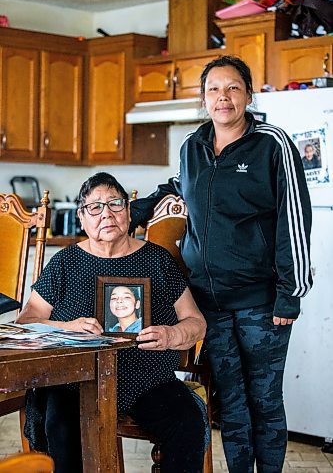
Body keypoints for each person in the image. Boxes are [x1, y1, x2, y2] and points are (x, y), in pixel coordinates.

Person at [129, 56, 313, 473]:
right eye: (213, 89)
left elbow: (295, 217)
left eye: (232, 88)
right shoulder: (193, 146)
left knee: (264, 401)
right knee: (229, 402)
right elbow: (179, 186)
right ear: (204, 98)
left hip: (261, 302)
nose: (223, 97)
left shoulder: (272, 144)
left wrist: (291, 293)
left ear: (249, 95)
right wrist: (134, 210)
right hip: (209, 301)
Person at [16, 171, 207, 473]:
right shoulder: (65, 262)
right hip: (75, 383)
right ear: (81, 218)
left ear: (129, 212)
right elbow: (26, 322)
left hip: (147, 380)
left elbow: (196, 322)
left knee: (188, 422)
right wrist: (68, 327)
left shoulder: (157, 260)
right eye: (95, 207)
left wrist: (170, 335)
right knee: (59, 426)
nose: (106, 213)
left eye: (115, 204)